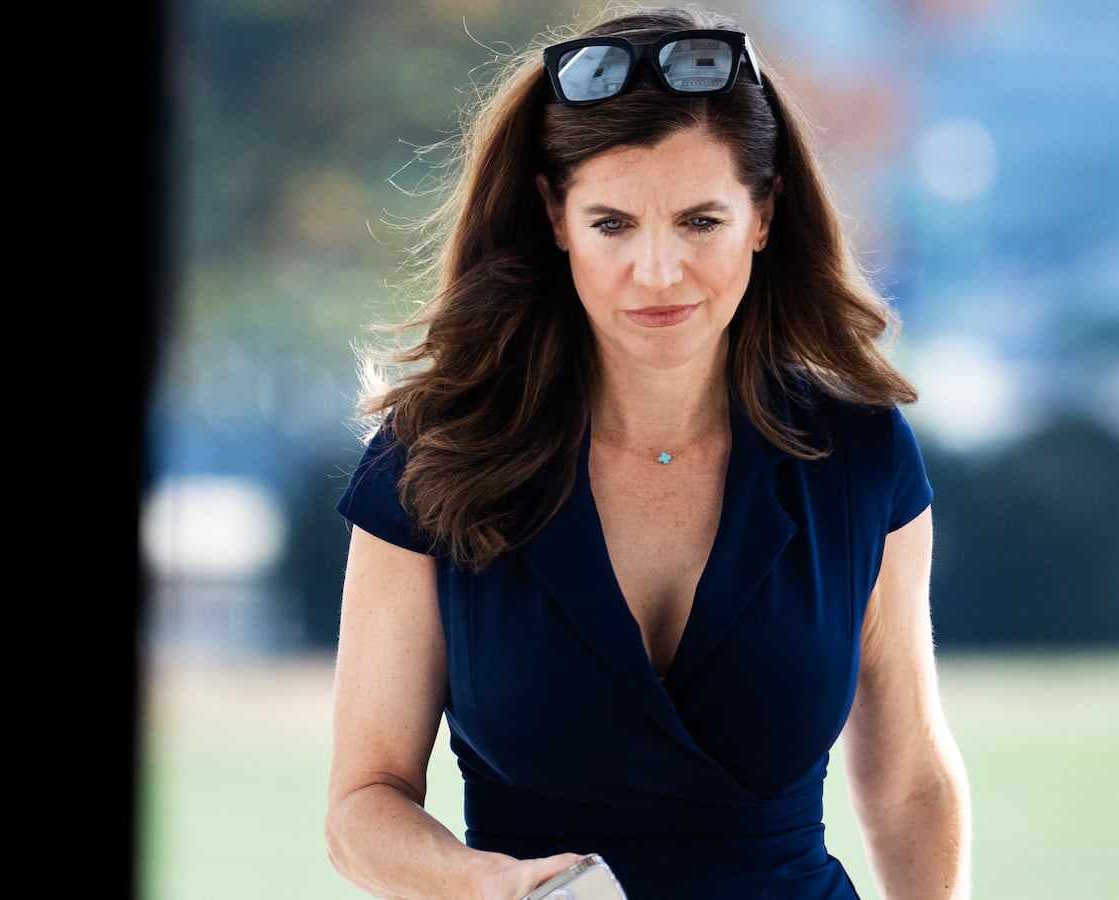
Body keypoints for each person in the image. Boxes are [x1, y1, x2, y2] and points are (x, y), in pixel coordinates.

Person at [326, 5, 972, 898]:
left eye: (701, 221)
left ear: (763, 214)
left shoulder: (859, 451)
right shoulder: (435, 455)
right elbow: (364, 803)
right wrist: (498, 889)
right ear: (556, 219)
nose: (659, 271)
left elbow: (908, 783)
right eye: (613, 224)